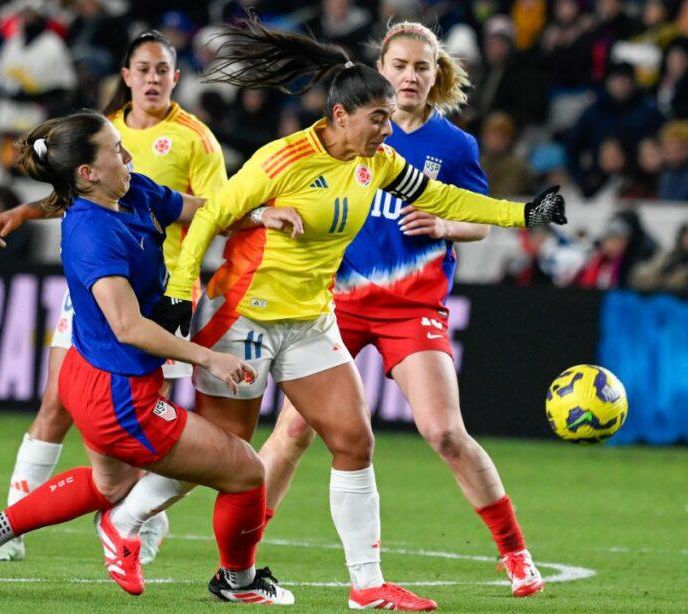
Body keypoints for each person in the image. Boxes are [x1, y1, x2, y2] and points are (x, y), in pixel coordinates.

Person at [118, 18, 566, 611]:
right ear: (355, 101)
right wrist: (181, 290)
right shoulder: (288, 157)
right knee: (249, 447)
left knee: (393, 437)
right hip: (279, 309)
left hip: (357, 312)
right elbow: (212, 215)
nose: (392, 117)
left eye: (420, 69)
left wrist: (521, 214)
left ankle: (397, 578)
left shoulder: (403, 156)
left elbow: (452, 203)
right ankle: (162, 534)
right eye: (396, 75)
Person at [0, 112, 294, 605]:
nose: (127, 154)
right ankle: (237, 582)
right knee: (247, 472)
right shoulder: (90, 234)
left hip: (92, 377)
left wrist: (257, 214)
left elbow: (203, 209)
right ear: (86, 173)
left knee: (111, 484)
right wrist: (205, 358)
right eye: (115, 149)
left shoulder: (134, 190)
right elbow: (127, 326)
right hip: (117, 396)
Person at [256, 21, 547, 598]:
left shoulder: (453, 146)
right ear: (380, 70)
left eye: (421, 67)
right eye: (400, 66)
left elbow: (483, 219)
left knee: (443, 432)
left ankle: (515, 553)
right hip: (335, 301)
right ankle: (240, 553)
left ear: (435, 75)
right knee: (292, 431)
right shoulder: (347, 130)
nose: (410, 76)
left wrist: (444, 224)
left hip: (412, 307)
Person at [0, 31, 229, 563]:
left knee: (139, 422)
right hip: (98, 286)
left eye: (162, 69)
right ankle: (13, 524)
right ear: (125, 76)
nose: (152, 78)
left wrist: (198, 276)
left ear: (176, 76)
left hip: (155, 297)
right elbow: (75, 194)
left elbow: (212, 209)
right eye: (142, 68)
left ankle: (135, 523)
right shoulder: (104, 130)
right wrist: (28, 210)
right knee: (55, 403)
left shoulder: (197, 139)